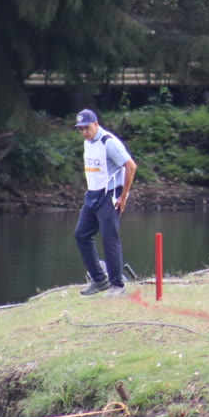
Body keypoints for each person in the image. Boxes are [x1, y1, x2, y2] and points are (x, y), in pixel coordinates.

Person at [73, 109, 137, 297]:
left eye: (87, 128)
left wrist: (124, 196)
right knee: (81, 234)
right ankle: (99, 280)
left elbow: (131, 166)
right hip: (92, 195)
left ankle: (117, 285)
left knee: (109, 238)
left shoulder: (109, 142)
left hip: (110, 195)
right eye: (80, 129)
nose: (84, 132)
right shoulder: (87, 142)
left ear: (96, 124)